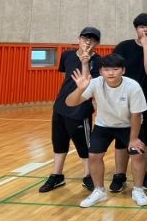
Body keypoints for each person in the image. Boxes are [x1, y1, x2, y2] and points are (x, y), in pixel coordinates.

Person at [65, 54, 147, 208]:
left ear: (123, 70)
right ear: (101, 71)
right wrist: (80, 89)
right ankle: (99, 191)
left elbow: (136, 115)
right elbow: (70, 103)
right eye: (106, 69)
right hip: (104, 125)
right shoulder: (95, 83)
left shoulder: (133, 86)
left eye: (115, 69)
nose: (111, 73)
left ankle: (138, 190)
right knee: (93, 156)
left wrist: (133, 139)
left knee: (137, 154)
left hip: (129, 125)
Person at [39, 27, 102, 193]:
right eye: (85, 38)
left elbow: (88, 85)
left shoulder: (99, 61)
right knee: (59, 143)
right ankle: (57, 175)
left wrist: (85, 62)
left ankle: (88, 175)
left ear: (97, 43)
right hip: (60, 107)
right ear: (78, 39)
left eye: (92, 39)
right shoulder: (67, 55)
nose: (88, 41)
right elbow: (66, 78)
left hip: (81, 109)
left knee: (84, 145)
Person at [112, 13, 147, 192]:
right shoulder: (123, 47)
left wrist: (146, 46)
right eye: (142, 27)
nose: (145, 30)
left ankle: (142, 174)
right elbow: (113, 73)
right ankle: (119, 175)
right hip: (122, 102)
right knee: (121, 140)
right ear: (136, 28)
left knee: (144, 139)